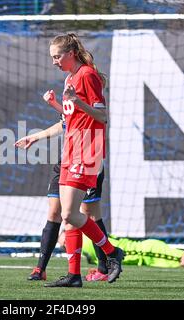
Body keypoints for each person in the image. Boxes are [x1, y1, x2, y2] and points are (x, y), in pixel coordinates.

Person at [16, 33, 124, 288]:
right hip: (70, 150)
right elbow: (70, 120)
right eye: (52, 57)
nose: (54, 61)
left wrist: (77, 102)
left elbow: (102, 115)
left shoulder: (86, 75)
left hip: (87, 151)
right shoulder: (70, 78)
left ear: (71, 53)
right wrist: (40, 132)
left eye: (57, 56)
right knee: (67, 215)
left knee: (70, 213)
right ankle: (74, 275)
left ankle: (111, 253)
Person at [16, 121, 109, 282]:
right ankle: (40, 269)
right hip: (66, 160)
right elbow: (65, 122)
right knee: (54, 212)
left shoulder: (88, 96)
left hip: (87, 159)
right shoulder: (69, 99)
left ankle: (104, 267)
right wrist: (36, 137)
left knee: (87, 213)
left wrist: (76, 101)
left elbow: (101, 117)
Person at [56, 231, 184, 280]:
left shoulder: (85, 242)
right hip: (147, 254)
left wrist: (99, 273)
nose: (65, 247)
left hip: (148, 252)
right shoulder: (88, 237)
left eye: (64, 242)